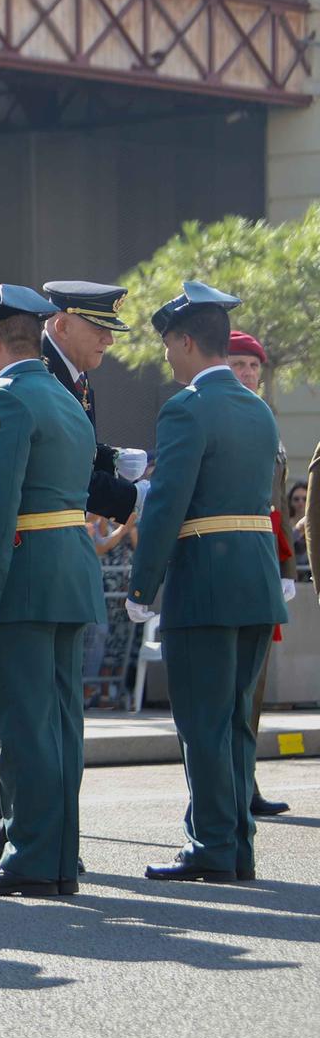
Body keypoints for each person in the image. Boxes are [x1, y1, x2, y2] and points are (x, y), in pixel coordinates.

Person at [126, 283, 285, 883]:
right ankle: (236, 844)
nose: (167, 358)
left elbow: (167, 504)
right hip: (255, 579)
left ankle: (212, 845)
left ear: (187, 342)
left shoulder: (186, 407)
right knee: (237, 720)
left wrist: (143, 587)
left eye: (169, 345)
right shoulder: (257, 407)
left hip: (207, 583)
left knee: (202, 722)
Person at [0, 286, 105, 898]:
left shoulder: (5, 402)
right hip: (68, 574)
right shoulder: (67, 400)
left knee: (22, 727)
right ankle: (59, 856)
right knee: (62, 724)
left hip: (22, 577)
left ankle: (30, 855)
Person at [220, 330, 296, 819]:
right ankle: (219, 788)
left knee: (254, 685)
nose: (248, 374)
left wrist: (288, 565)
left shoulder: (268, 424)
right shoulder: (212, 417)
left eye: (253, 368)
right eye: (238, 365)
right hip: (224, 562)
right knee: (222, 684)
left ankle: (245, 781)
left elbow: (282, 510)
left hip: (264, 560)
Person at [40, 283, 144, 524]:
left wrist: (113, 457)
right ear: (63, 326)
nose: (110, 340)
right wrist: (133, 496)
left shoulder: (75, 371)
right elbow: (63, 468)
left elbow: (76, 446)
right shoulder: (41, 376)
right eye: (100, 329)